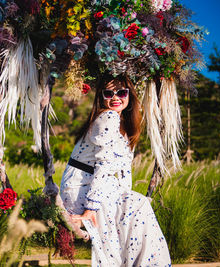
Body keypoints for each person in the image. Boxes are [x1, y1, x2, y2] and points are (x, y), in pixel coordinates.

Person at [60, 73, 172, 266]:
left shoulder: (122, 124)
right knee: (139, 205)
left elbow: (123, 171)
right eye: (108, 93)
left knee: (137, 204)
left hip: (92, 185)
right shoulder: (108, 117)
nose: (115, 98)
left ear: (129, 95)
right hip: (84, 190)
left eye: (121, 92)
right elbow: (104, 165)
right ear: (101, 97)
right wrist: (90, 209)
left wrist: (126, 195)